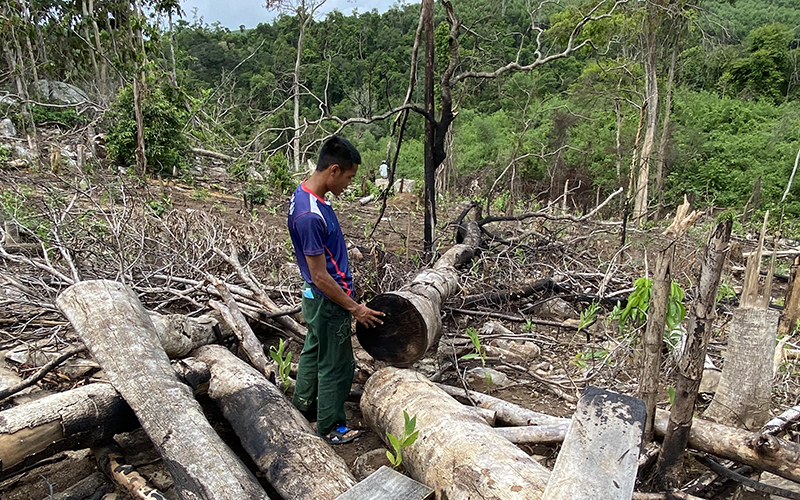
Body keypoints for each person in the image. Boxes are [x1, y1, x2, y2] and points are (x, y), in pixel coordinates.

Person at [287, 135, 385, 444]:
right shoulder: (309, 216)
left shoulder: (307, 195)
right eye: (349, 177)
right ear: (333, 170)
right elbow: (320, 276)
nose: (350, 183)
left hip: (316, 299)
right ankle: (331, 427)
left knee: (313, 352)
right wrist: (355, 308)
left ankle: (303, 407)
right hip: (328, 301)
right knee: (337, 364)